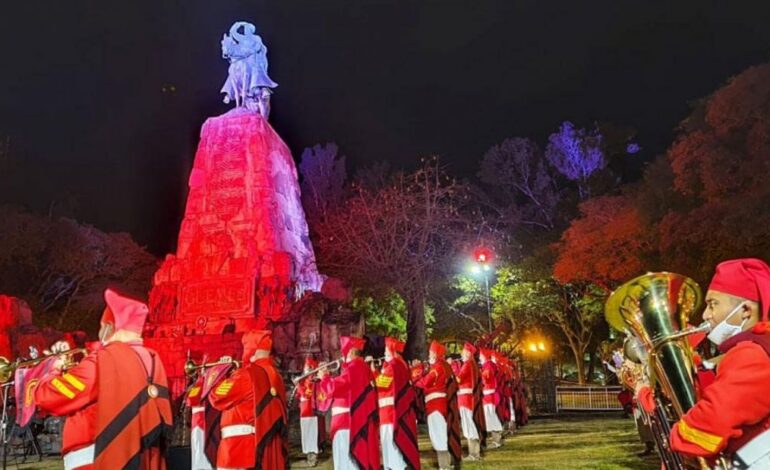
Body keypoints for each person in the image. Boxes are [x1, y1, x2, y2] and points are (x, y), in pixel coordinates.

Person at [33, 288, 173, 469]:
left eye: (101, 326)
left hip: (96, 458)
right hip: (142, 458)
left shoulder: (104, 359)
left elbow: (50, 396)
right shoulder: (152, 359)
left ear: (109, 327)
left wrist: (52, 369)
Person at [668, 259, 770, 467]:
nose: (706, 315)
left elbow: (714, 420)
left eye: (713, 304)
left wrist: (674, 435)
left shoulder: (750, 353)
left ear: (746, 311)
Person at [209, 330, 288, 470]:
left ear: (251, 351)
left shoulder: (247, 374)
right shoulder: (276, 376)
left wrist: (218, 372)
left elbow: (216, 397)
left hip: (236, 450)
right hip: (258, 450)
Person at [319, 336, 380, 470]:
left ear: (351, 351)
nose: (342, 355)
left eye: (344, 352)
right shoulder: (363, 368)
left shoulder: (354, 368)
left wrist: (324, 377)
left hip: (346, 425)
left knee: (345, 464)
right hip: (351, 422)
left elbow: (333, 388)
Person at [414, 341, 462, 470]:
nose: (428, 355)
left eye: (430, 352)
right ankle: (448, 462)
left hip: (435, 405)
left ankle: (444, 465)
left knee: (438, 435)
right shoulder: (443, 366)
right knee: (441, 434)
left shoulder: (437, 367)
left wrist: (414, 379)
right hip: (438, 405)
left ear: (435, 354)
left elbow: (425, 382)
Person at [374, 337, 420, 470]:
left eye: (385, 351)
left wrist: (373, 372)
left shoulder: (393, 365)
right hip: (388, 412)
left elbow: (382, 383)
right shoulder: (398, 364)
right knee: (390, 444)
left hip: (389, 413)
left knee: (390, 444)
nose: (383, 354)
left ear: (392, 351)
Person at [455, 342, 485, 461]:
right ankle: (474, 452)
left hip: (465, 397)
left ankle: (474, 453)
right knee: (468, 423)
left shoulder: (467, 365)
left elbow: (459, 379)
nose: (461, 353)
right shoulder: (471, 365)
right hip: (467, 397)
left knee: (468, 424)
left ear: (467, 353)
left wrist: (453, 371)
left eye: (463, 351)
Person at [296, 357, 325, 467]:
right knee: (306, 433)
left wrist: (299, 386)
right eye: (305, 367)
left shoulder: (312, 381)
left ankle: (312, 456)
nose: (305, 369)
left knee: (310, 434)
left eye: (307, 367)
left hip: (309, 411)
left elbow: (306, 394)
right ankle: (309, 454)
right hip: (304, 411)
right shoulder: (305, 380)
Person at [479, 349, 504, 448]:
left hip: (489, 394)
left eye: (481, 355)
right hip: (487, 394)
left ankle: (496, 439)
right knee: (489, 416)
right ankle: (495, 439)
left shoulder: (488, 365)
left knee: (491, 416)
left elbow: (486, 377)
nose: (480, 357)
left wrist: (480, 376)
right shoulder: (487, 365)